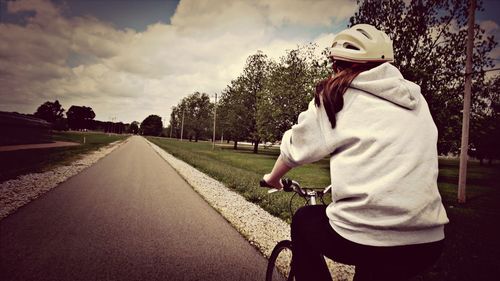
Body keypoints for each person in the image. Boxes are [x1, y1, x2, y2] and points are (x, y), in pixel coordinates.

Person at [261, 24, 449, 281]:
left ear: (338, 66)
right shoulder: (415, 99)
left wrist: (272, 178)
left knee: (304, 220)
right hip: (428, 240)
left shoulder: (335, 97)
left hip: (365, 234)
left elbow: (294, 149)